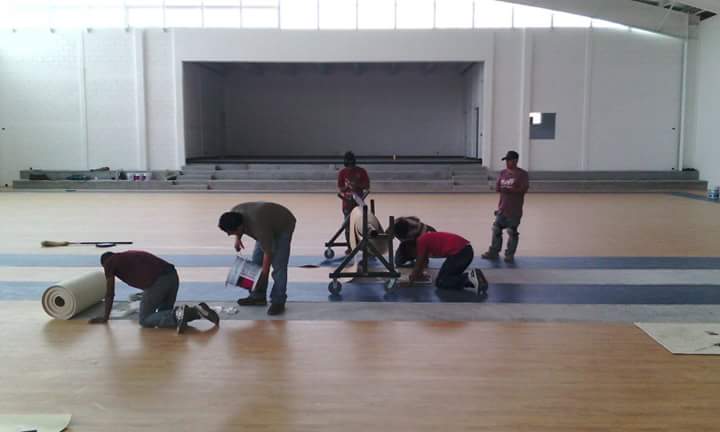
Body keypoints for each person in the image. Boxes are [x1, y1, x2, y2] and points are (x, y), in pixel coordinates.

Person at [90, 251, 219, 333]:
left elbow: (110, 293)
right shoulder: (128, 256)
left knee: (145, 320)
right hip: (173, 276)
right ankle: (197, 311)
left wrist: (105, 317)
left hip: (158, 282)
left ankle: (187, 312)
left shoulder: (109, 262)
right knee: (166, 317)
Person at [218, 201, 296, 316]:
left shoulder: (259, 227)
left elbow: (268, 253)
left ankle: (278, 301)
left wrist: (263, 277)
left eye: (231, 232)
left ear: (240, 227)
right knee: (256, 263)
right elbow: (239, 228)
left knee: (279, 266)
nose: (229, 235)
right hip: (266, 223)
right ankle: (257, 297)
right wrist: (238, 239)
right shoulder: (234, 213)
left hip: (283, 224)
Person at [481, 150, 529, 263]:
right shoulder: (503, 173)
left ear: (515, 161)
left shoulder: (522, 174)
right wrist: (501, 188)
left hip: (514, 210)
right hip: (502, 209)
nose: (507, 162)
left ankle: (509, 254)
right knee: (496, 229)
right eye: (506, 160)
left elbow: (524, 189)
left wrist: (511, 190)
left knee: (512, 232)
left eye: (509, 160)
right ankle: (494, 251)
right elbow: (498, 187)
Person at [406, 230, 486, 294]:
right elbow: (423, 262)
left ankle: (469, 277)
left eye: (413, 255)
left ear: (411, 248)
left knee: (441, 281)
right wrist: (419, 274)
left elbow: (418, 264)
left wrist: (410, 282)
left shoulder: (420, 242)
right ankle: (474, 279)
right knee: (449, 277)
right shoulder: (423, 240)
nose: (415, 257)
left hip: (460, 253)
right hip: (465, 251)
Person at [337, 151, 370, 255]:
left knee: (361, 225)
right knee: (348, 226)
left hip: (358, 202)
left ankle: (365, 246)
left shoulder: (361, 171)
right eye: (348, 165)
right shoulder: (342, 173)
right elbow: (340, 188)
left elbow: (367, 186)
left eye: (352, 164)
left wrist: (357, 185)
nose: (350, 167)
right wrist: (347, 187)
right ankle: (350, 247)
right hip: (347, 203)